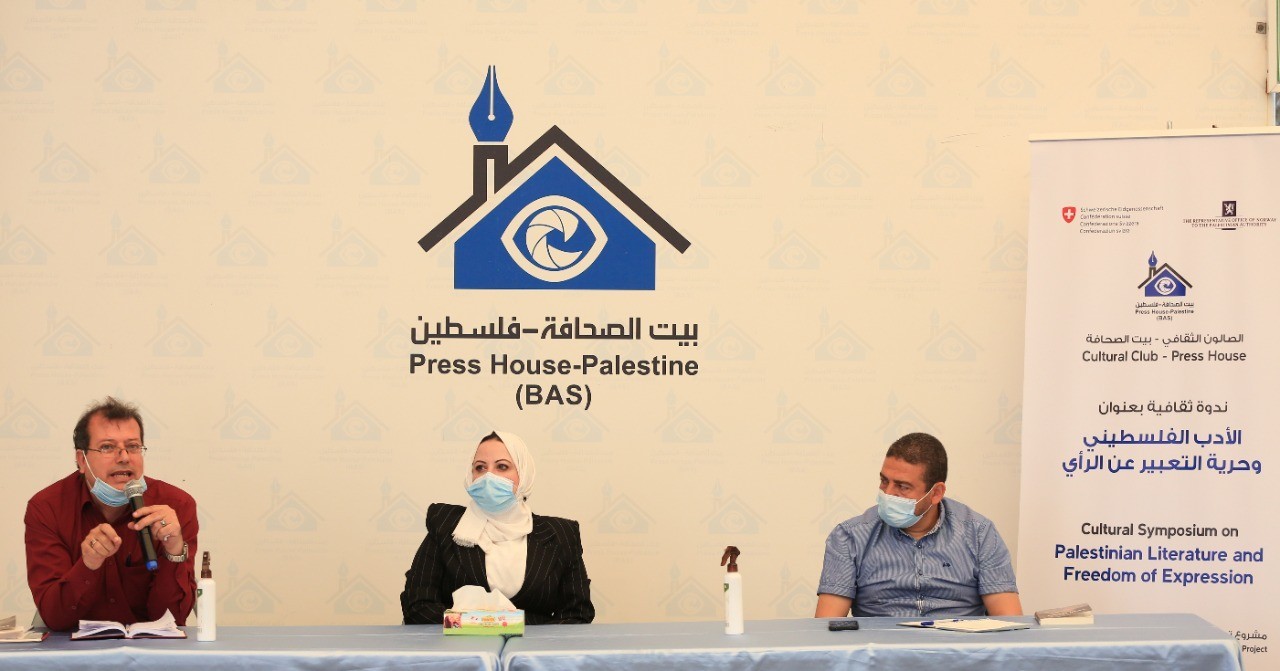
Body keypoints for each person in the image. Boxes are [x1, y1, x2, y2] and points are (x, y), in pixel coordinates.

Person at [24, 397, 199, 631]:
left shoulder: (176, 506)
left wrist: (174, 550)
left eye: (133, 446)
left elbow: (173, 619)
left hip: (149, 649)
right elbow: (55, 617)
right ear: (81, 460)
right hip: (74, 650)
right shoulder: (47, 508)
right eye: (107, 447)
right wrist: (88, 565)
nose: (124, 457)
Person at [815, 432, 1021, 618]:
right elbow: (827, 627)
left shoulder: (979, 533)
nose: (888, 493)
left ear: (936, 493)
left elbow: (1009, 621)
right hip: (880, 646)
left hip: (958, 645)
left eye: (903, 486)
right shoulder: (849, 536)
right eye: (884, 481)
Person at [401, 430, 594, 625]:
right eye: (480, 467)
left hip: (534, 645)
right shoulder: (444, 524)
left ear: (524, 474)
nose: (488, 477)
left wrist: (522, 635)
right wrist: (484, 625)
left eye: (502, 467)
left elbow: (578, 613)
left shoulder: (561, 534)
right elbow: (417, 606)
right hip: (462, 643)